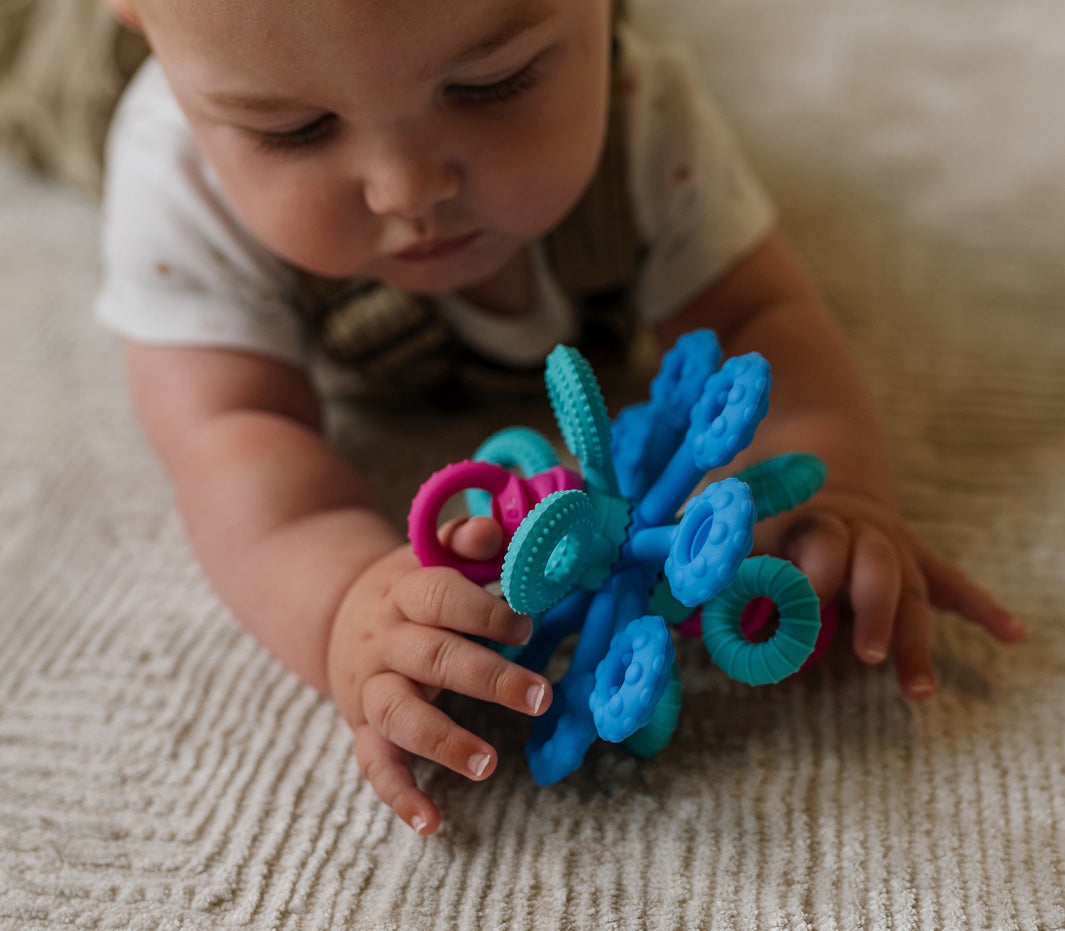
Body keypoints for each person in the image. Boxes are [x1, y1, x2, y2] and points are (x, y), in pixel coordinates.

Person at [95, 0, 1025, 836]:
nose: (406, 188)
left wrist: (836, 482)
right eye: (293, 128)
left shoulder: (643, 117)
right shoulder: (176, 178)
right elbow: (233, 439)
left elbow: (757, 325)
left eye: (492, 81)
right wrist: (341, 602)